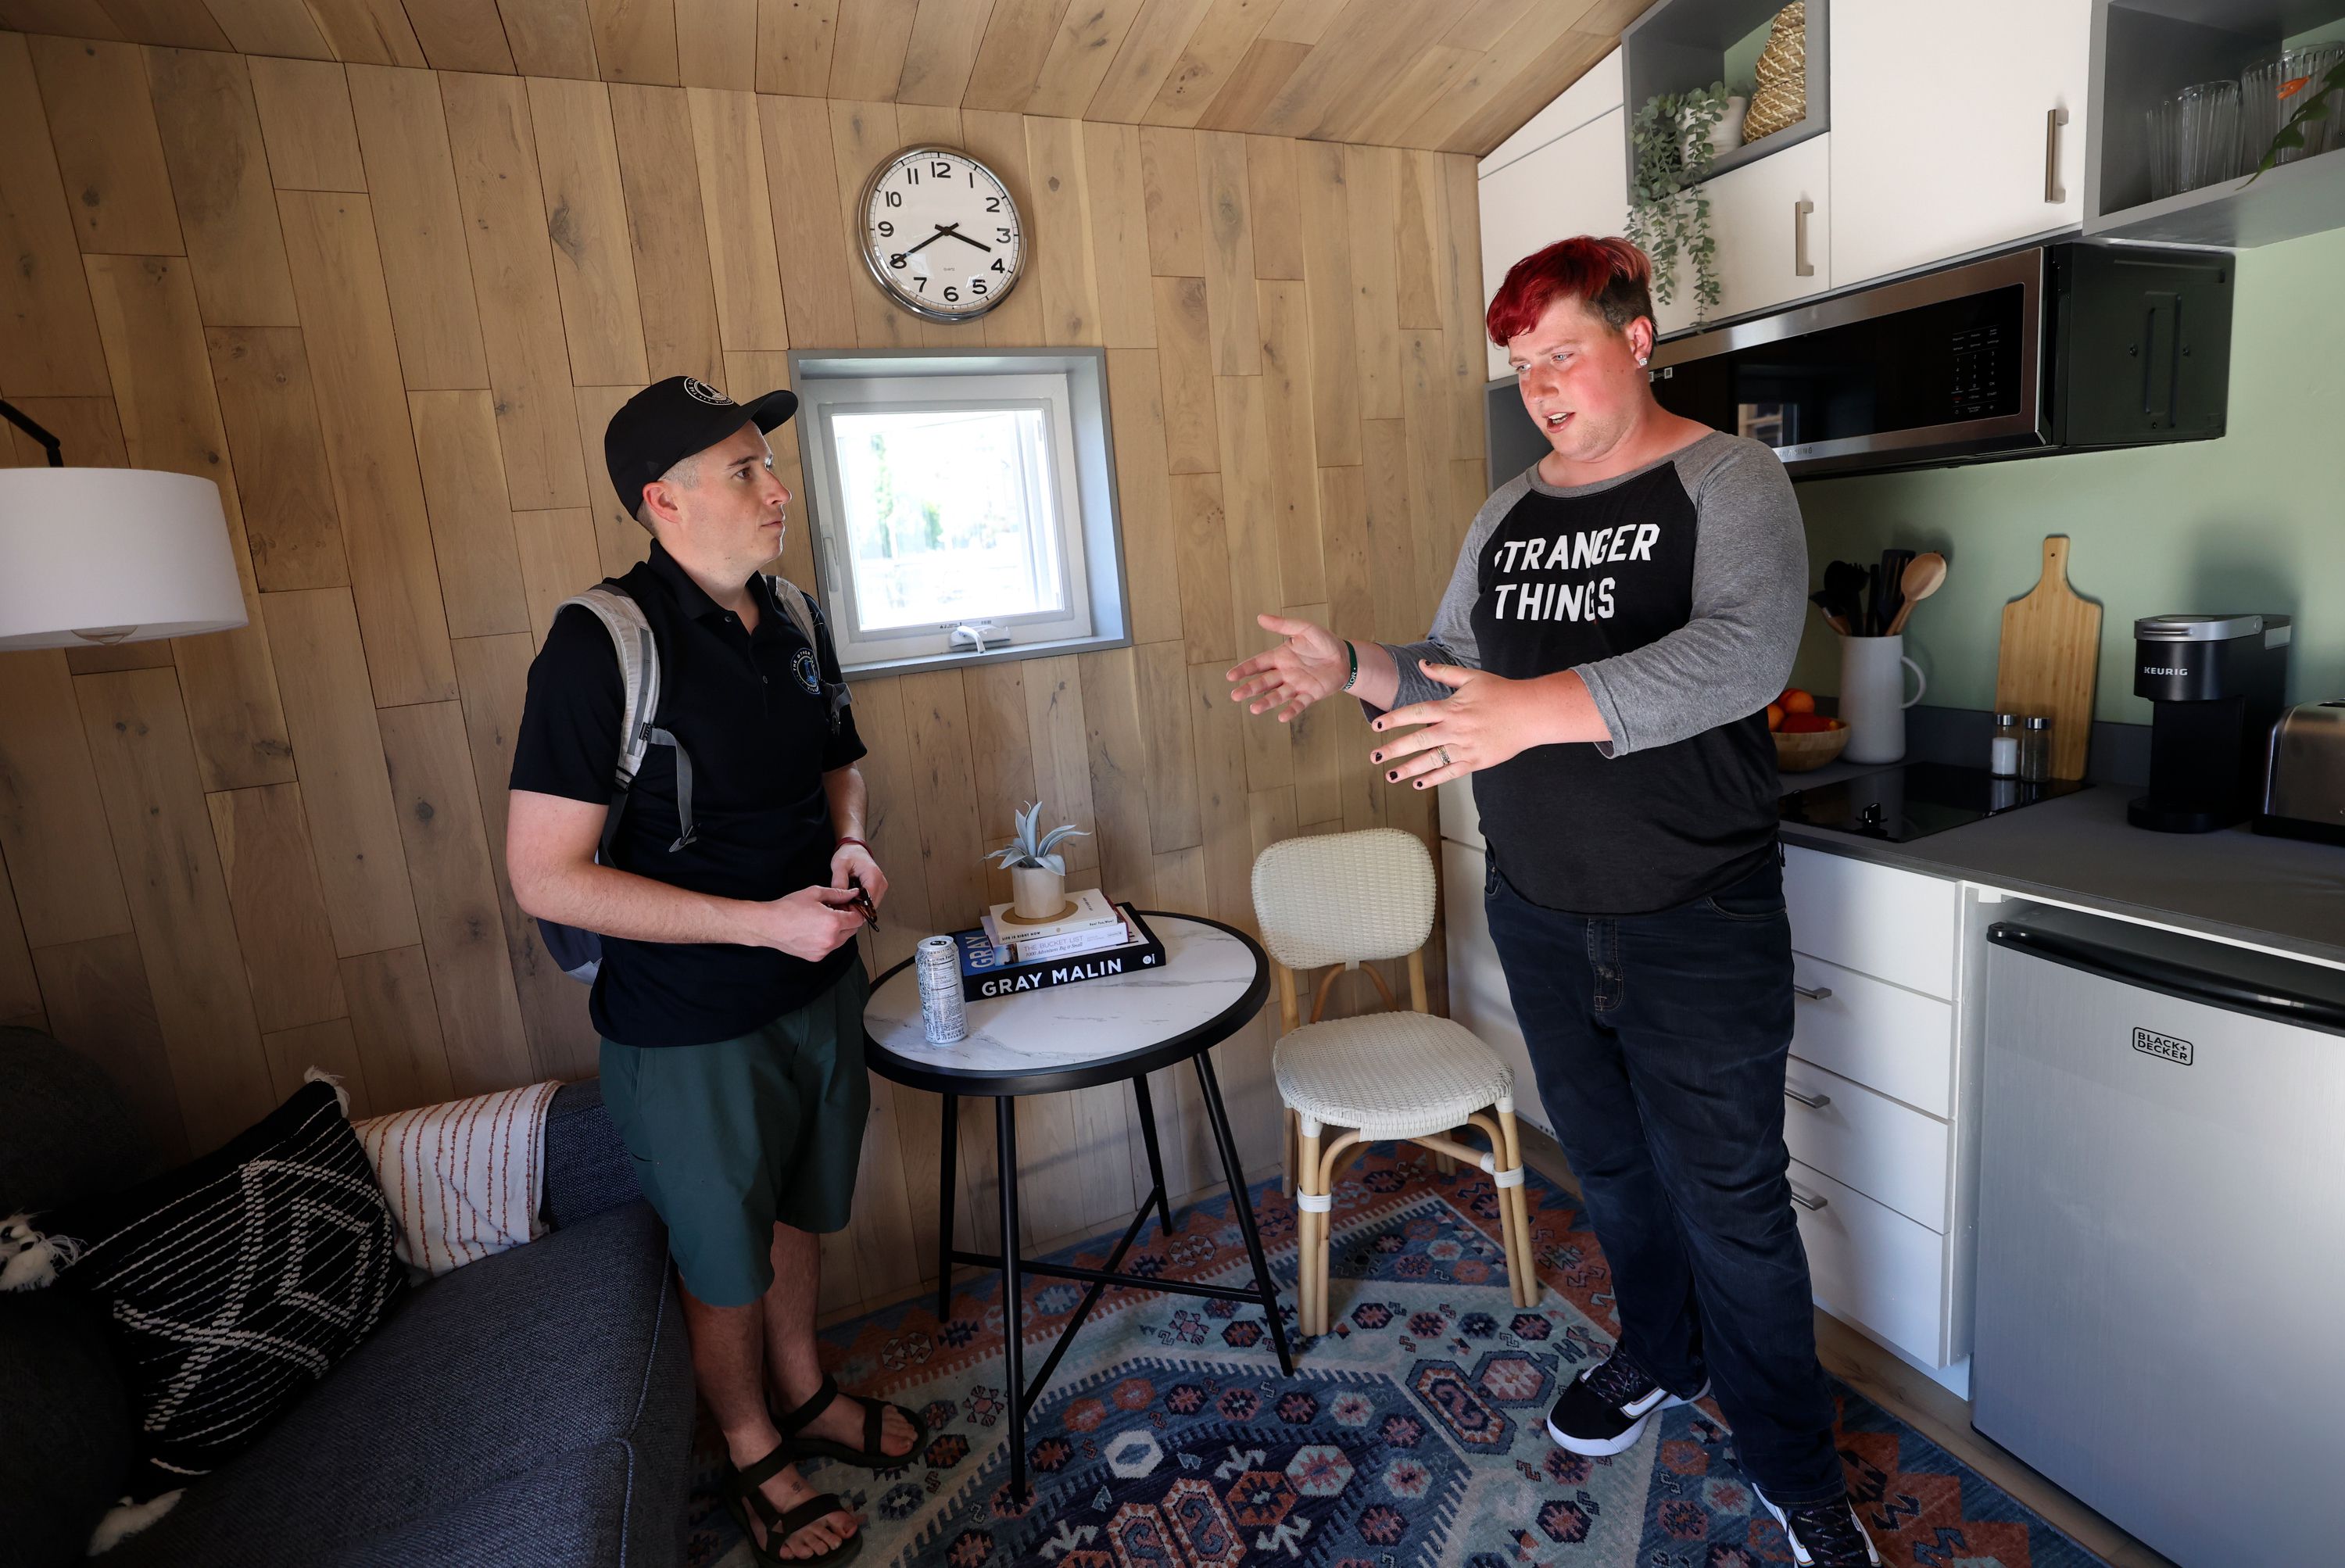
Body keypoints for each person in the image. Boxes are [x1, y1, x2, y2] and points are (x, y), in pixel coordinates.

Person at [1224, 238, 1880, 1567]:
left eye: (1562, 353)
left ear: (1639, 341)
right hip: (1538, 908)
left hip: (1696, 916)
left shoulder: (1728, 480)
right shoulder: (1509, 508)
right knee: (1619, 1172)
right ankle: (1657, 1353)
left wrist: (1524, 715)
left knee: (1734, 1204)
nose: (1540, 388)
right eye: (1521, 368)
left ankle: (1793, 1467)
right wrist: (1351, 664)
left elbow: (1744, 653)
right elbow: (1452, 666)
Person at [507, 376, 921, 1566]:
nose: (776, 488)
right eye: (744, 468)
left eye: (767, 464)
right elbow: (547, 874)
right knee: (723, 1249)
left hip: (820, 985)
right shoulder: (601, 643)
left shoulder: (791, 610)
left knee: (802, 1209)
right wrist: (758, 927)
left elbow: (841, 754)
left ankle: (803, 1390)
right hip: (690, 1028)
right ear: (663, 501)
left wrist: (849, 839)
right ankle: (749, 1441)